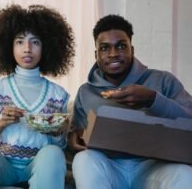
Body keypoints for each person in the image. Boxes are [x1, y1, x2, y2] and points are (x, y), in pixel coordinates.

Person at [69, 14, 192, 189]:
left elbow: (189, 120)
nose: (113, 54)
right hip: (110, 167)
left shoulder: (163, 80)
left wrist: (152, 99)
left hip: (154, 166)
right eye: (105, 48)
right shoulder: (85, 91)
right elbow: (80, 134)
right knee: (83, 160)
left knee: (185, 174)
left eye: (120, 46)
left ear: (131, 50)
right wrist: (73, 138)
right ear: (96, 54)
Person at [0, 4, 75, 189]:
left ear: (47, 47)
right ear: (8, 45)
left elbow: (60, 149)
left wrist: (56, 133)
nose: (27, 49)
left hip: (37, 167)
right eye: (20, 41)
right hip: (2, 166)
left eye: (36, 42)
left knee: (53, 153)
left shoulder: (59, 95)